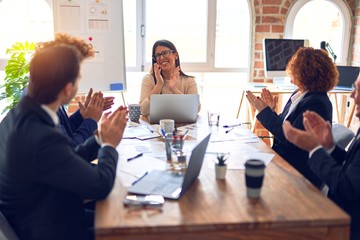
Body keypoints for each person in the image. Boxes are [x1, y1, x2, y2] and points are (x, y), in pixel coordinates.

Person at [0, 45, 128, 240]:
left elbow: (66, 156)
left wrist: (99, 139)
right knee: (130, 225)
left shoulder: (17, 115)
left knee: (124, 212)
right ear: (68, 88)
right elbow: (101, 185)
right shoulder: (42, 136)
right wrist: (110, 145)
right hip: (50, 229)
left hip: (38, 215)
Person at [246, 47, 338, 189]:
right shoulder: (300, 94)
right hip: (283, 161)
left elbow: (291, 138)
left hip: (299, 172)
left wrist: (265, 112)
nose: (290, 72)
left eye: (295, 69)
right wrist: (271, 110)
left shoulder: (317, 103)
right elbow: (285, 126)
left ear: (306, 74)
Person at [282, 75, 360, 239]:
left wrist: (315, 148)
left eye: (358, 89)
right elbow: (353, 171)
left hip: (347, 227)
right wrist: (329, 147)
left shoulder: (316, 101)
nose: (352, 95)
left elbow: (347, 189)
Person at [37, 33, 115, 147]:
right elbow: (71, 149)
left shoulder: (46, 98)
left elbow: (66, 131)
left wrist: (82, 115)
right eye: (78, 75)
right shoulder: (42, 113)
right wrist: (91, 120)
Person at [139, 39, 200, 116]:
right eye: (157, 55)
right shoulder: (148, 79)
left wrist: (174, 89)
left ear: (175, 55)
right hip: (155, 127)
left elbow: (196, 109)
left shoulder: (189, 81)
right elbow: (142, 110)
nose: (161, 58)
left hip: (183, 126)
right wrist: (159, 85)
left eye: (165, 53)